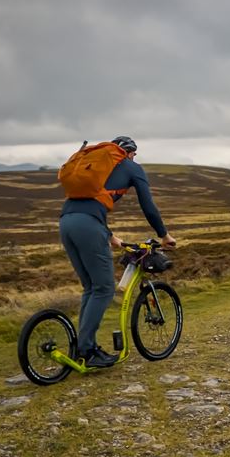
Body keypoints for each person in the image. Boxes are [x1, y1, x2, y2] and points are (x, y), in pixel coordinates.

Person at [59, 136, 177, 368]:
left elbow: (88, 203)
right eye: (134, 155)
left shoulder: (97, 167)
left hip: (66, 222)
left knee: (91, 288)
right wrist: (164, 235)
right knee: (104, 288)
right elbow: (148, 207)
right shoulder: (132, 167)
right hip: (90, 225)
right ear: (130, 153)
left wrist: (110, 235)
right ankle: (88, 350)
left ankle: (82, 348)